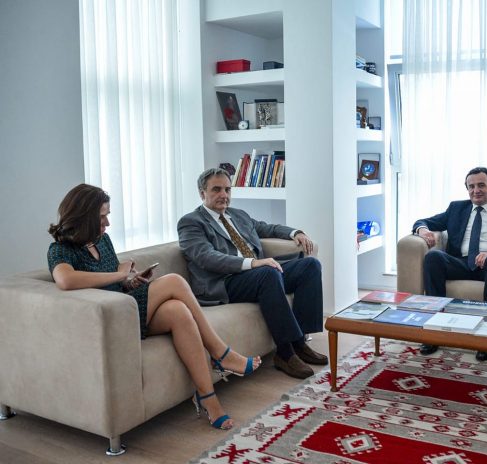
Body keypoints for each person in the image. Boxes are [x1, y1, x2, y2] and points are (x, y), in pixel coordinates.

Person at [47, 184, 261, 431]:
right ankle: (221, 353)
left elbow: (115, 283)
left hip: (126, 306)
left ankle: (207, 397)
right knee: (174, 281)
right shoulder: (60, 250)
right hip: (111, 321)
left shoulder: (102, 241)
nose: (107, 222)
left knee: (178, 311)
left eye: (107, 215)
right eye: (102, 216)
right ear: (84, 217)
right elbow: (65, 280)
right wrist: (119, 275)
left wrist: (130, 280)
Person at [177, 168, 327, 380]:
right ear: (202, 193)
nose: (224, 195)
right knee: (268, 273)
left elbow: (267, 228)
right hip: (224, 282)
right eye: (217, 189)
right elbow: (206, 257)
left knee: (310, 265)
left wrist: (296, 233)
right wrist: (254, 263)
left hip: (257, 275)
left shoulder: (238, 215)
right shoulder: (191, 222)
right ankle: (285, 354)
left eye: (227, 189)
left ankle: (300, 342)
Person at [412, 167, 487, 359]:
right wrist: (422, 229)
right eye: (471, 186)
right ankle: (434, 330)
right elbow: (423, 221)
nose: (476, 190)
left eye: (481, 185)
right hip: (461, 263)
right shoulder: (456, 208)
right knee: (433, 257)